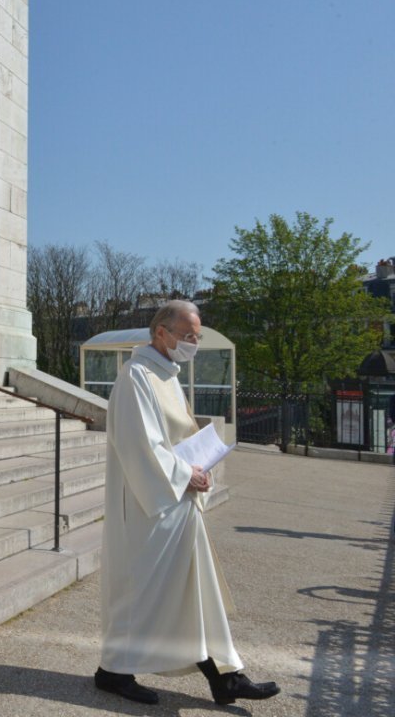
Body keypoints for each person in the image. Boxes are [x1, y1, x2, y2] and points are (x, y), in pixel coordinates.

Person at [95, 300, 279, 706]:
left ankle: (227, 674)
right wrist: (184, 474)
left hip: (174, 503)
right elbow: (140, 445)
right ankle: (113, 670)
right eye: (189, 336)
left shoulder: (166, 374)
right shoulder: (136, 376)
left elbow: (175, 440)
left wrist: (200, 466)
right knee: (144, 593)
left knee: (195, 592)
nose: (193, 343)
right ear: (162, 332)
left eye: (197, 336)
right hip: (149, 508)